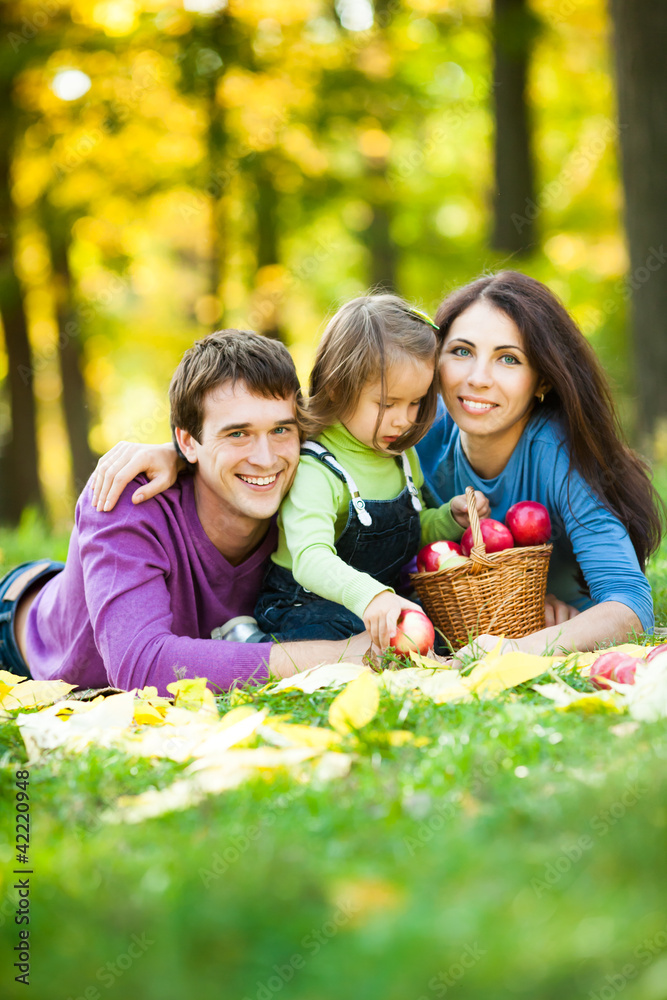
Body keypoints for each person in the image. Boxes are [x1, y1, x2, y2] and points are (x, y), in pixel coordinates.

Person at [0, 331, 371, 695]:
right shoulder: (128, 497)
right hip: (22, 633)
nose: (265, 458)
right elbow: (141, 666)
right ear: (187, 441)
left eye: (280, 429)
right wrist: (340, 656)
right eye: (237, 434)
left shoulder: (311, 492)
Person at [415, 270, 663, 656]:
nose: (478, 378)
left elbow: (631, 608)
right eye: (461, 351)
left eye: (509, 359)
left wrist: (515, 650)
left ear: (542, 381)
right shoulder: (416, 437)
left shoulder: (556, 450)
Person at [245, 294, 487, 650]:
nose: (404, 419)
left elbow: (413, 531)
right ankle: (252, 641)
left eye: (416, 402)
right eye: (387, 404)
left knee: (442, 632)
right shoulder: (317, 467)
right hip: (304, 604)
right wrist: (372, 597)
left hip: (377, 602)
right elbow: (310, 559)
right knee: (352, 635)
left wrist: (449, 518)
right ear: (337, 387)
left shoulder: (399, 456)